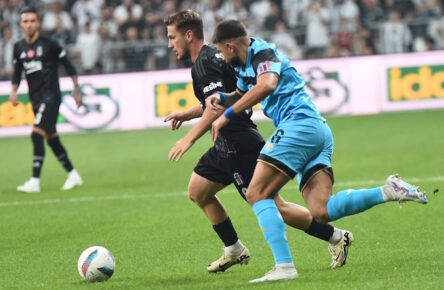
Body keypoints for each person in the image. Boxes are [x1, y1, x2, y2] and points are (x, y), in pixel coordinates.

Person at [209, 19, 428, 283]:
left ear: (231, 46)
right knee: (321, 211)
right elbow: (242, 94)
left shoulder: (263, 53)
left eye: (221, 51)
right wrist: (222, 99)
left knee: (257, 192)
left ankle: (284, 266)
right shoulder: (245, 67)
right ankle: (388, 191)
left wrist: (226, 115)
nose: (221, 56)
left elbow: (266, 85)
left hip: (298, 125)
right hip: (316, 130)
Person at [164, 9, 352, 274]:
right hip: (224, 145)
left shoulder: (204, 64)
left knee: (275, 205)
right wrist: (187, 113)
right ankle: (234, 249)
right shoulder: (213, 57)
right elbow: (218, 99)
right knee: (198, 191)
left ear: (189, 35)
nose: (170, 44)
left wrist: (189, 138)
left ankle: (335, 237)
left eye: (172, 37)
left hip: (240, 144)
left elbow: (217, 108)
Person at [10, 7, 83, 193]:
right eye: (25, 21)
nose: (29, 25)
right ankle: (73, 175)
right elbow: (17, 73)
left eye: (32, 21)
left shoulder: (50, 45)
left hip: (51, 97)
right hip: (35, 98)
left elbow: (69, 66)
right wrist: (14, 91)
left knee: (36, 134)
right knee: (52, 139)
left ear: (38, 23)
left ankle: (34, 181)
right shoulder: (18, 48)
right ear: (21, 24)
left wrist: (77, 90)